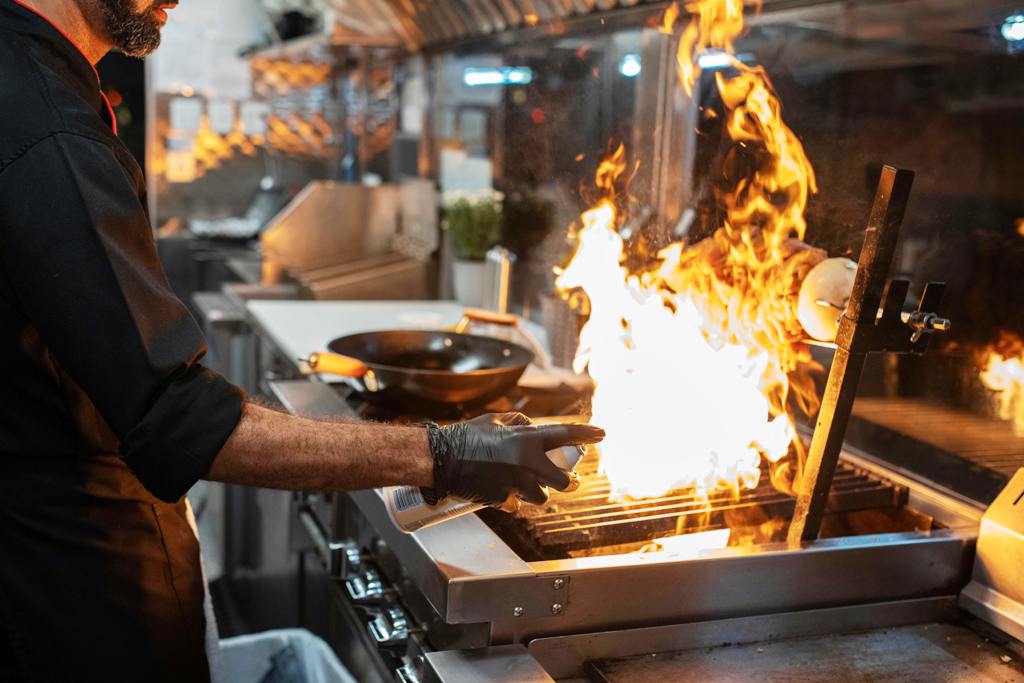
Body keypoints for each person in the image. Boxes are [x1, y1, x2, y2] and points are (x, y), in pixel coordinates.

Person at [0, 1, 605, 680]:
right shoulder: (49, 128)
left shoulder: (29, 80)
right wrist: (447, 451)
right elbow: (179, 421)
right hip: (74, 597)